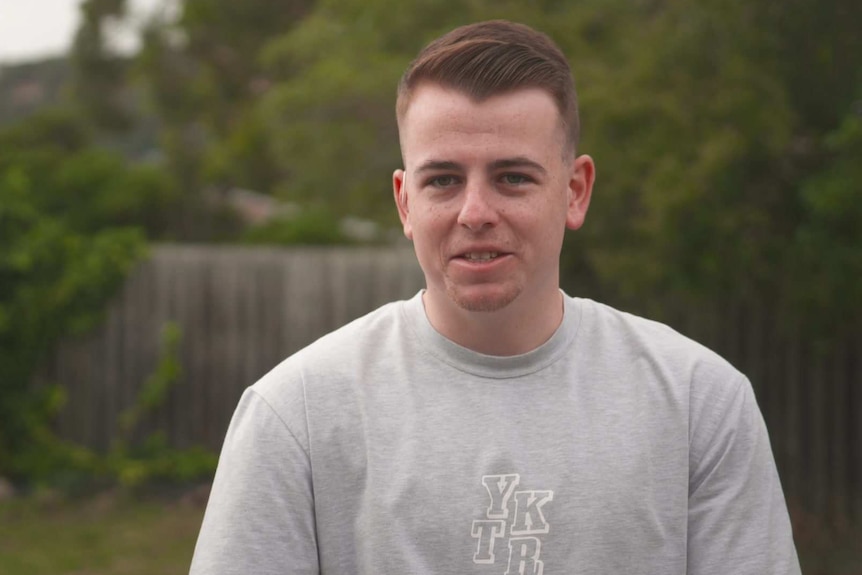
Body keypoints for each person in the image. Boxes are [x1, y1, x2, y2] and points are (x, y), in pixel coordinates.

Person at [190, 20, 801, 574]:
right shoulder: (294, 415)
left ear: (575, 190)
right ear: (406, 202)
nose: (475, 213)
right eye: (444, 180)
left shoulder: (700, 403)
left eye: (512, 177)